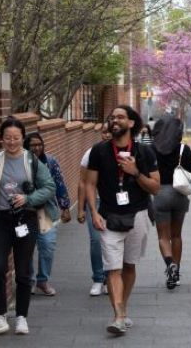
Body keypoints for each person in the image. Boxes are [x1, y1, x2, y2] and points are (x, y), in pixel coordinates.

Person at [0, 117, 57, 336]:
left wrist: (27, 199)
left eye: (16, 138)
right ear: (1, 138)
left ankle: (21, 317)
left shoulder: (31, 161)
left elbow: (49, 187)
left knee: (23, 270)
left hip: (25, 219)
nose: (11, 142)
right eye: (7, 138)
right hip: (0, 220)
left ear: (23, 138)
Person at [85, 105, 160, 335]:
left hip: (137, 214)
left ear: (131, 123)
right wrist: (94, 212)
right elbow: (89, 184)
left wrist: (135, 172)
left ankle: (123, 308)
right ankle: (118, 316)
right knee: (112, 268)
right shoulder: (98, 151)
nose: (114, 120)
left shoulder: (145, 152)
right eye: (112, 117)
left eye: (120, 117)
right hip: (108, 216)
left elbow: (156, 188)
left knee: (129, 265)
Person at [150, 115, 191, 290]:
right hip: (179, 195)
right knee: (177, 235)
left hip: (160, 193)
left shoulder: (153, 149)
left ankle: (170, 265)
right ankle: (176, 274)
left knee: (163, 237)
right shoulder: (184, 149)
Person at [24, 133, 71, 297]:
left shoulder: (50, 161)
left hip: (45, 211)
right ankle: (29, 280)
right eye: (32, 145)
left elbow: (60, 184)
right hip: (25, 211)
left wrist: (65, 206)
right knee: (26, 248)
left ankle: (42, 280)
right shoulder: (20, 163)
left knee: (47, 245)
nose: (36, 148)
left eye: (39, 144)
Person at [77, 121, 113, 296]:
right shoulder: (91, 153)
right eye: (104, 132)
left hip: (115, 204)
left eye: (110, 132)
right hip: (96, 203)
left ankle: (110, 278)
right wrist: (81, 209)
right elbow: (83, 182)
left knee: (112, 241)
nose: (106, 135)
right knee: (96, 241)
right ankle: (98, 278)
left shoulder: (122, 152)